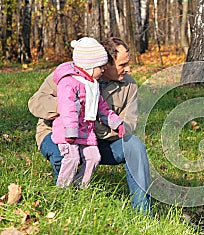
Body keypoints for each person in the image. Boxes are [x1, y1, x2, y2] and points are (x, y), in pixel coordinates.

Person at [28, 37, 152, 214]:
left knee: (134, 146)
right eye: (122, 64)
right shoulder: (68, 74)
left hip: (96, 140)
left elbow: (129, 125)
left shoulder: (129, 85)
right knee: (65, 157)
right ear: (105, 64)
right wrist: (71, 108)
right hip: (59, 135)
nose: (128, 69)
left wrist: (93, 122)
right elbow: (35, 103)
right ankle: (64, 204)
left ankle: (143, 212)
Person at [51, 37, 125, 188]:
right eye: (101, 67)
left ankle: (80, 186)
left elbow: (102, 108)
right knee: (72, 159)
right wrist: (71, 130)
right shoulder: (69, 82)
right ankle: (62, 189)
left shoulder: (92, 85)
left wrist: (116, 123)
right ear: (89, 66)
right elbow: (67, 108)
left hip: (86, 133)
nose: (104, 70)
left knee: (94, 157)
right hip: (68, 133)